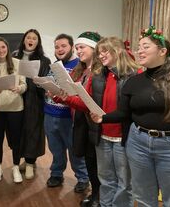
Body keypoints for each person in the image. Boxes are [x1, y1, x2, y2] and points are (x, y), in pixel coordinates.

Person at [91, 26, 170, 207]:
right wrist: (103, 118)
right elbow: (124, 113)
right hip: (138, 143)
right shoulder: (133, 81)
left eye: (145, 47)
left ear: (163, 51)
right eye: (138, 47)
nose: (139, 51)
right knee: (143, 198)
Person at [59, 36, 138, 207]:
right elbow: (86, 103)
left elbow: (134, 110)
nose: (101, 56)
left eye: (105, 51)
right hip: (102, 137)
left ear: (117, 51)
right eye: (99, 52)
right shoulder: (98, 76)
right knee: (106, 179)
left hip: (123, 138)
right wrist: (63, 98)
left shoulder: (135, 75)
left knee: (124, 183)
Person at [43, 34, 90, 192]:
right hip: (50, 114)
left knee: (75, 149)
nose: (60, 49)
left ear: (71, 48)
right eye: (57, 47)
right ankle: (56, 174)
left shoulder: (80, 66)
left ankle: (83, 178)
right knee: (55, 149)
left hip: (69, 118)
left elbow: (81, 92)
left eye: (63, 46)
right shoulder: (54, 65)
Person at [0, 37, 27, 183]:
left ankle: (15, 167)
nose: (1, 50)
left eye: (3, 47)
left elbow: (24, 85)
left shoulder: (17, 63)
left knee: (15, 140)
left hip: (16, 108)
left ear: (7, 48)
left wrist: (19, 88)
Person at [12, 29, 51, 179]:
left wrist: (39, 82)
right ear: (24, 40)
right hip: (17, 98)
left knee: (33, 131)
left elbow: (48, 82)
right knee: (19, 131)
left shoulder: (44, 60)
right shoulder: (15, 56)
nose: (31, 40)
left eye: (34, 38)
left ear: (38, 42)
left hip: (35, 100)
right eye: (28, 37)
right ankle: (24, 159)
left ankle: (30, 163)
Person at [71, 32, 102, 207]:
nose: (78, 51)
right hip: (81, 122)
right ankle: (95, 193)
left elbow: (90, 102)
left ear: (94, 48)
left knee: (97, 163)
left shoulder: (99, 72)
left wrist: (65, 98)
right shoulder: (81, 70)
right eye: (77, 48)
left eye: (81, 47)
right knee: (89, 161)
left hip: (94, 124)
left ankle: (99, 196)